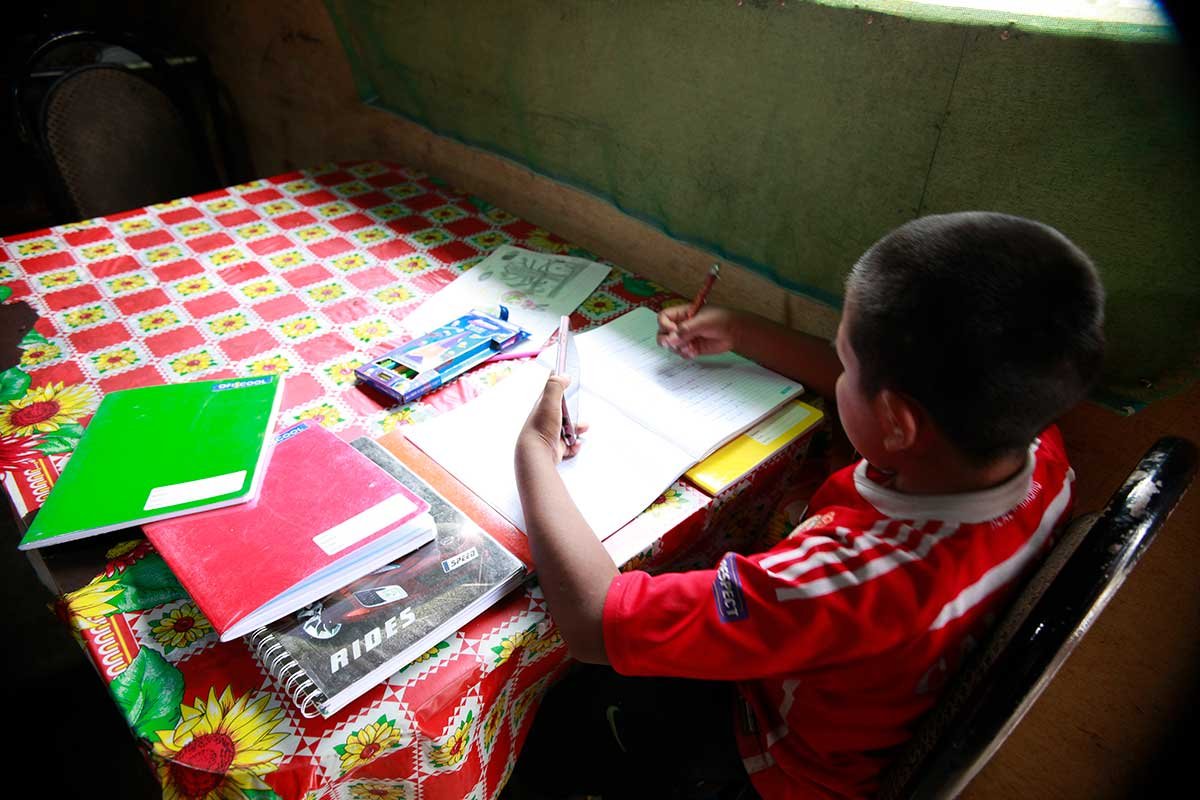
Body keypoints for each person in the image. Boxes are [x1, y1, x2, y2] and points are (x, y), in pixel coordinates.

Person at [505, 212, 1105, 799]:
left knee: (570, 706)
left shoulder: (842, 583)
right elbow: (888, 399)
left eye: (844, 363)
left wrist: (533, 452)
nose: (835, 371)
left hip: (776, 759)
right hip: (868, 696)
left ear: (898, 422)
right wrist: (741, 331)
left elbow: (592, 624)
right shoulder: (1037, 450)